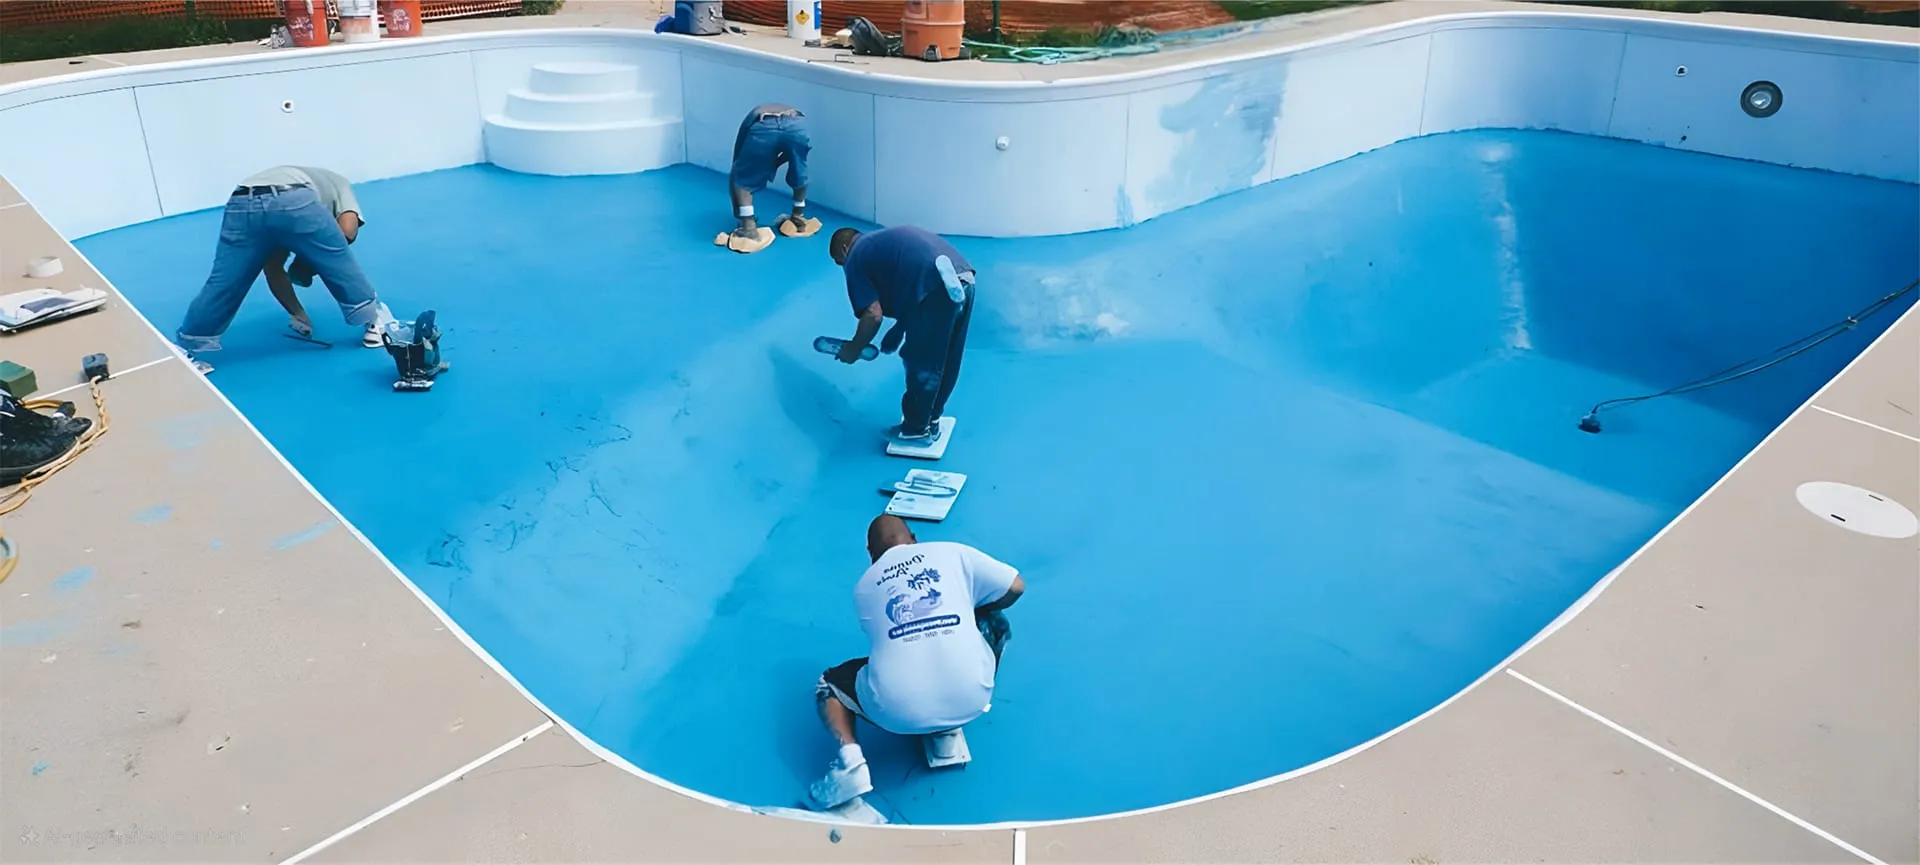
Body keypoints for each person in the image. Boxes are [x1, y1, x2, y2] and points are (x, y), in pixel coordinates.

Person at [810, 514, 1025, 810]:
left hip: (895, 713)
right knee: (995, 621)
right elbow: (1016, 586)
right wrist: (974, 606)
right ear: (913, 537)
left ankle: (850, 762)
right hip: (973, 698)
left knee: (829, 685)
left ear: (871, 554)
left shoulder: (864, 586)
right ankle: (946, 721)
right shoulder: (952, 551)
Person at [174, 165, 394, 374]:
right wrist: (311, 260)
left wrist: (298, 314)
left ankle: (184, 349)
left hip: (240, 202)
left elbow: (273, 267)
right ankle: (374, 321)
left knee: (224, 281)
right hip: (294, 199)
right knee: (339, 263)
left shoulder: (306, 176)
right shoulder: (341, 184)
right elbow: (347, 232)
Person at [829, 226, 976, 446]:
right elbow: (908, 281)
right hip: (963, 275)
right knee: (947, 356)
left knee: (920, 359)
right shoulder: (879, 243)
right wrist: (899, 330)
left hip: (934, 287)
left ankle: (916, 429)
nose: (842, 267)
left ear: (844, 248)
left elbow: (872, 315)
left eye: (839, 261)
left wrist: (855, 348)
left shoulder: (855, 257)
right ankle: (932, 419)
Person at [723, 103, 820, 252]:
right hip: (797, 126)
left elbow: (738, 164)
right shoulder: (793, 115)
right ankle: (798, 216)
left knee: (743, 179)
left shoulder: (751, 118)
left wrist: (739, 210)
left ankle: (748, 226)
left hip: (764, 125)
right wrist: (774, 163)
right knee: (800, 169)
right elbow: (791, 153)